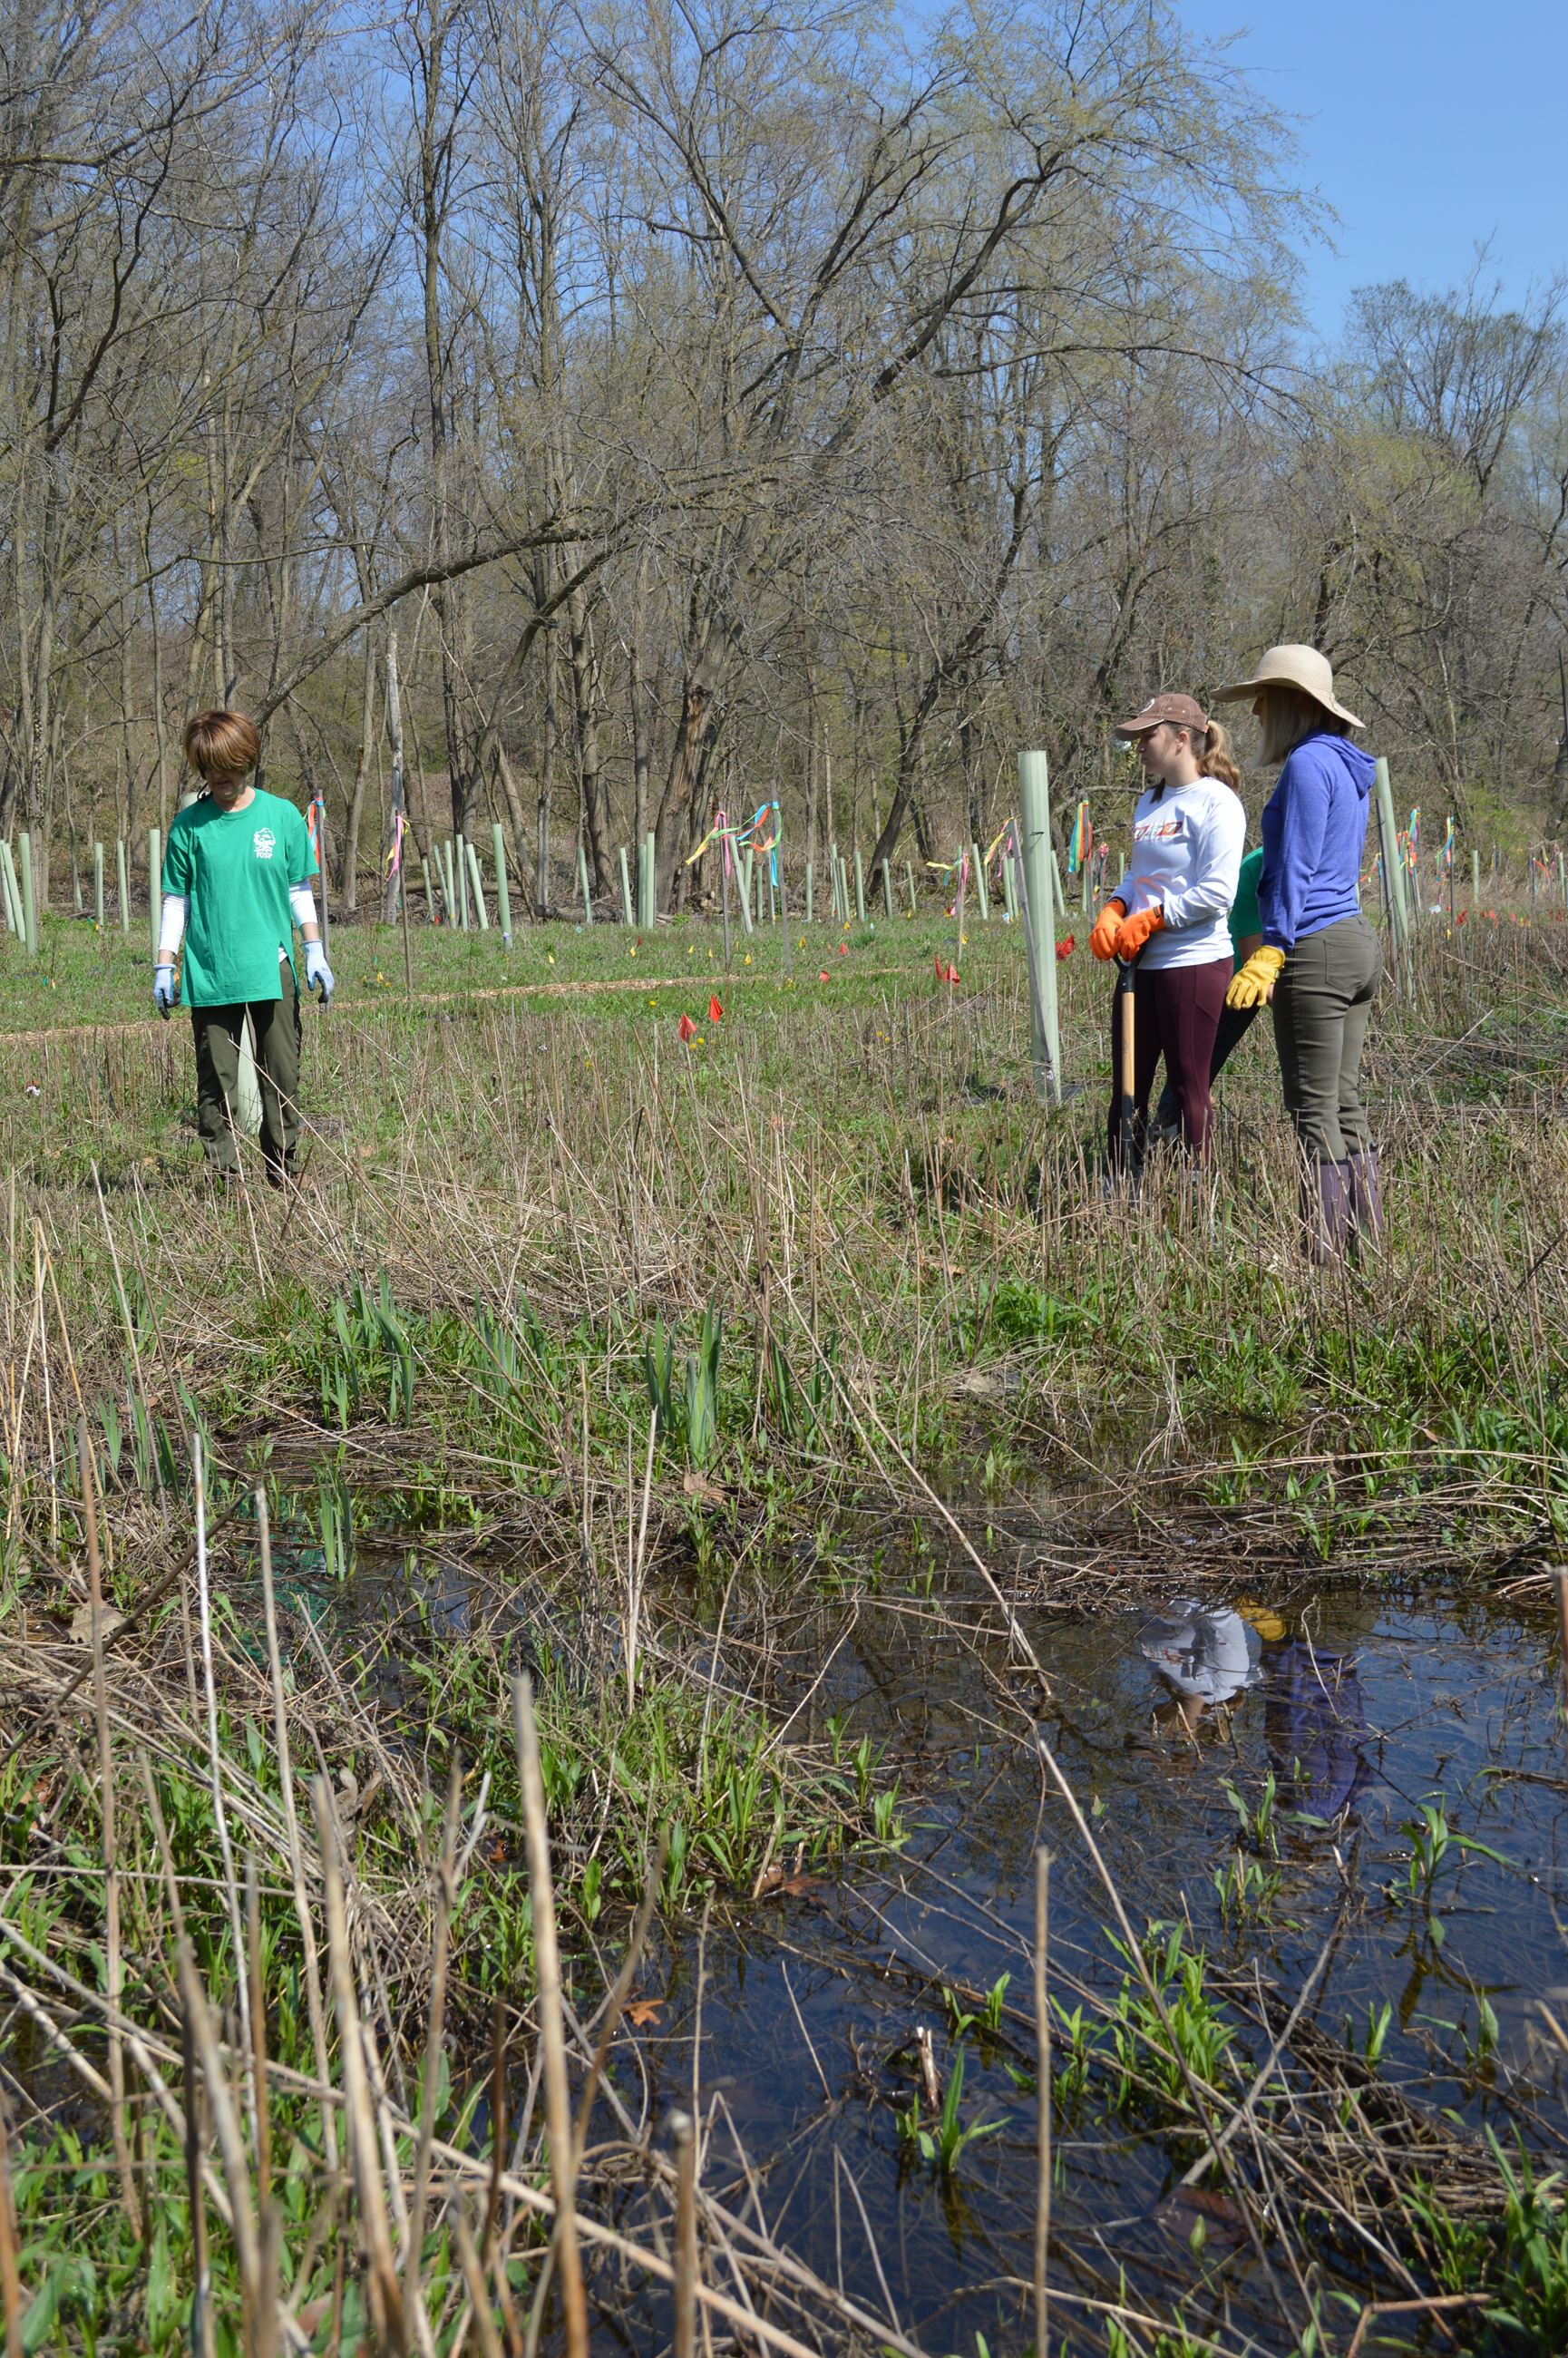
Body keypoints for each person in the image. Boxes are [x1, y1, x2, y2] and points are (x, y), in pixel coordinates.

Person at [1212, 644, 1381, 1258]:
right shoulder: (1346, 764)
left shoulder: (1308, 765)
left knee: (1312, 1110)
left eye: (1262, 697)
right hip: (1354, 941)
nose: (1254, 710)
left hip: (1314, 948)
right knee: (1343, 1103)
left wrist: (1271, 948)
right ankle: (1366, 1252)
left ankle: (1324, 1266)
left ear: (1290, 702)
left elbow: (1295, 868)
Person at [154, 709, 334, 1187]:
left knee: (282, 1075)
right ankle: (225, 1183)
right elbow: (177, 900)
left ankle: (284, 1173)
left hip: (271, 966)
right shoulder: (188, 828)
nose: (220, 776)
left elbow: (298, 890)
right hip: (210, 970)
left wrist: (314, 949)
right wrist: (164, 965)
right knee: (217, 1084)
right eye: (210, 766)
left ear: (247, 759)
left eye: (229, 764)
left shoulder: (281, 817)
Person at [1089, 692, 1246, 1167]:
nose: (1139, 745)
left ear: (1181, 740)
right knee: (1127, 1085)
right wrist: (1116, 907)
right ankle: (1121, 1184)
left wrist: (1155, 918)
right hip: (1140, 966)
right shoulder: (1149, 802)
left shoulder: (1218, 802)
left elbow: (1219, 892)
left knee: (1187, 1084)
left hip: (1193, 962)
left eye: (1147, 735)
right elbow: (1141, 877)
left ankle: (1195, 1188)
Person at [1153, 843, 1265, 1141]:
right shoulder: (1253, 870)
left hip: (1285, 965)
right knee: (1201, 1061)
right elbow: (1252, 956)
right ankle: (1168, 1130)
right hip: (1239, 977)